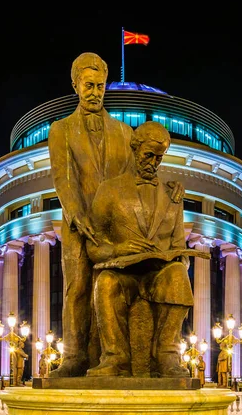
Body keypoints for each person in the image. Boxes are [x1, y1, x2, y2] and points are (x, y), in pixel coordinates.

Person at [47, 52, 135, 377]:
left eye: (100, 85)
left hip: (113, 226)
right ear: (76, 86)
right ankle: (73, 357)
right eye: (89, 85)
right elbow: (62, 176)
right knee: (77, 288)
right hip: (77, 224)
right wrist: (75, 213)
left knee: (109, 290)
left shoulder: (125, 133)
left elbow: (133, 179)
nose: (95, 91)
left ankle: (107, 358)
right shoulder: (61, 129)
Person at [86, 121, 197, 378]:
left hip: (157, 273)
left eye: (160, 158)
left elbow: (179, 245)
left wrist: (175, 257)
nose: (154, 163)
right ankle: (115, 359)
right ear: (134, 148)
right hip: (123, 273)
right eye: (149, 155)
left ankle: (167, 355)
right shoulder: (109, 190)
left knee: (179, 274)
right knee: (105, 283)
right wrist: (118, 249)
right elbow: (93, 246)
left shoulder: (173, 195)